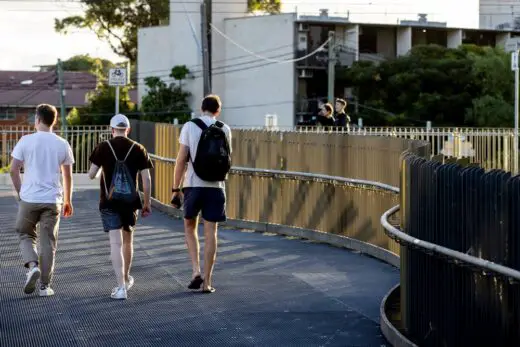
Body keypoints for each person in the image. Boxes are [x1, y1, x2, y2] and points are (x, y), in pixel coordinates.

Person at [10, 104, 74, 297]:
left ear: (37, 120)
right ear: (54, 121)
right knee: (48, 243)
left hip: (29, 199)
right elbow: (67, 175)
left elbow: (13, 170)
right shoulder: (62, 143)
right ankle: (45, 287)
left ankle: (32, 266)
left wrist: (21, 193)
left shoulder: (25, 141)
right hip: (52, 200)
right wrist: (68, 200)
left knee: (24, 234)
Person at [88, 114, 153, 300]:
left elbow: (91, 175)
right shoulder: (138, 148)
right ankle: (126, 278)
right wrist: (146, 203)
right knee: (127, 241)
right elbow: (146, 180)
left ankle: (121, 287)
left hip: (109, 202)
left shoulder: (103, 147)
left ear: (111, 129)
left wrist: (102, 166)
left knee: (115, 243)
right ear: (128, 129)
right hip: (130, 203)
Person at [171, 94, 232, 294]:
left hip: (193, 185)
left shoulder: (190, 126)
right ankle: (208, 282)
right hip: (216, 187)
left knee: (190, 227)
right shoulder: (225, 129)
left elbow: (181, 160)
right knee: (211, 232)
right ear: (218, 110)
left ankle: (196, 270)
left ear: (201, 108)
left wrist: (175, 188)